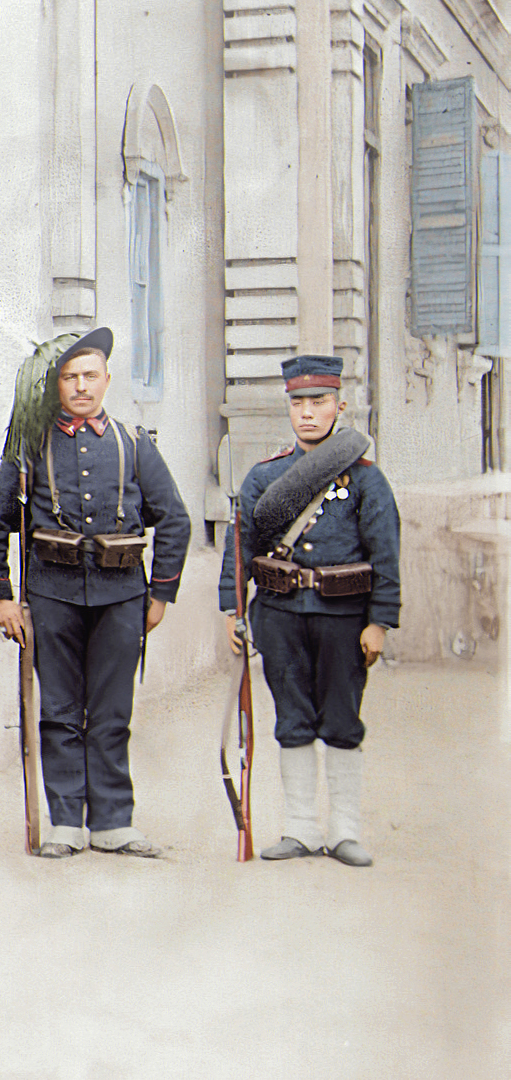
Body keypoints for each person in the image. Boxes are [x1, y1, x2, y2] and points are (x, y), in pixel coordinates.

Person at [0, 327, 191, 859]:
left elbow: (174, 519)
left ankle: (114, 822)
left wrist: (161, 594)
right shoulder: (28, 449)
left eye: (90, 376)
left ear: (107, 380)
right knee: (57, 711)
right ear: (56, 384)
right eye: (70, 377)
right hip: (50, 596)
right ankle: (65, 824)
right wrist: (2, 596)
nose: (80, 386)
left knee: (111, 712)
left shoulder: (134, 444)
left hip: (122, 596)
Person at [220, 354, 399, 868]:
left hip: (344, 617)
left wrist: (380, 621)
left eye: (318, 402)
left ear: (339, 405)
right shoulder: (264, 477)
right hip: (279, 614)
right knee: (292, 719)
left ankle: (344, 831)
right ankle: (299, 829)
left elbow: (385, 550)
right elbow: (240, 546)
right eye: (298, 403)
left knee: (342, 720)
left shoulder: (365, 479)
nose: (307, 413)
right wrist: (234, 612)